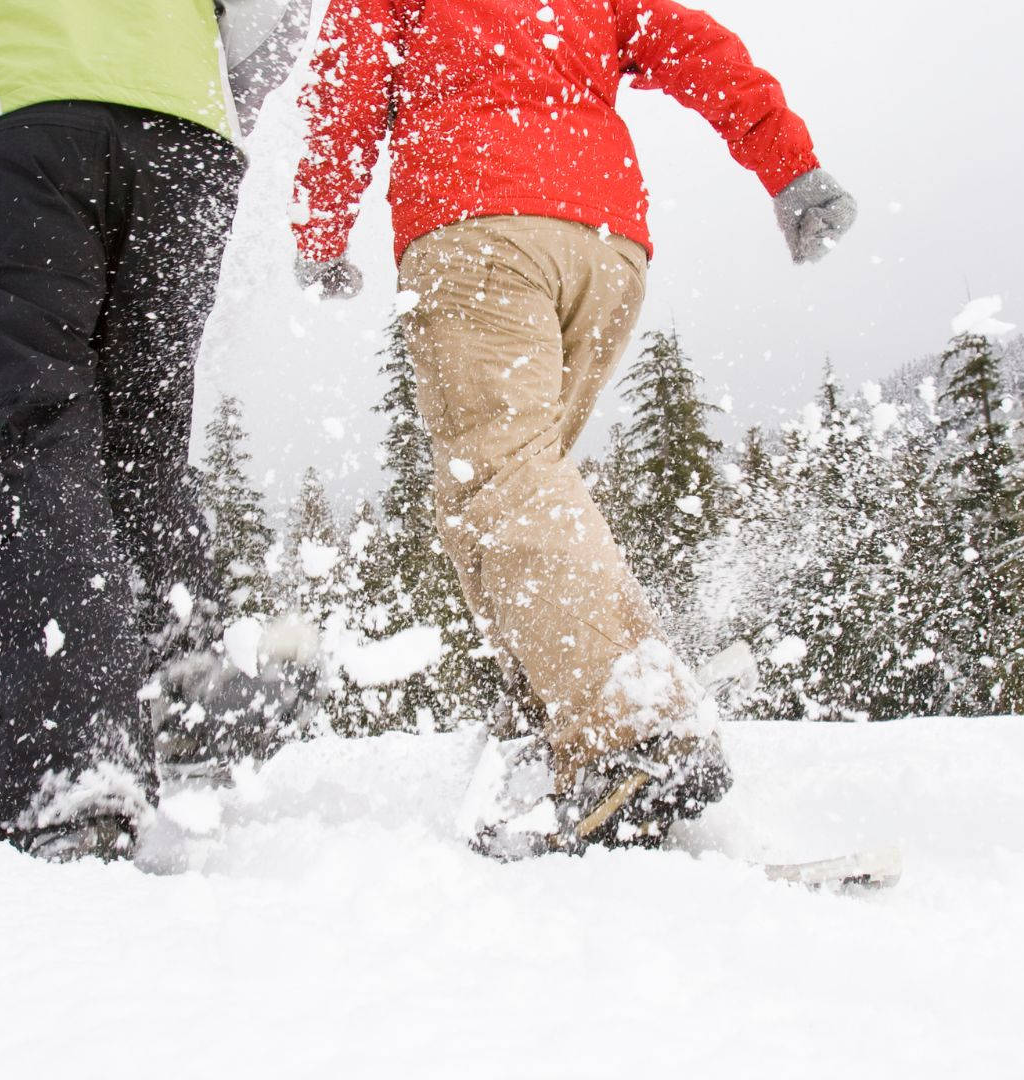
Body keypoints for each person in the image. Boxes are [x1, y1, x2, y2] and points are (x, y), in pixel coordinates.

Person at [292, 1, 856, 852]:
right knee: (499, 491)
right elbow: (693, 44)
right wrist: (787, 163)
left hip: (479, 224)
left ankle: (627, 724)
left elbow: (348, 83)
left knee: (505, 481)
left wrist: (321, 227)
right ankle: (555, 723)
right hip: (605, 246)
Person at [0, 0, 310, 863]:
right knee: (142, 439)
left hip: (25, 117)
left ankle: (72, 768)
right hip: (186, 133)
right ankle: (180, 687)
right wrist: (212, 97)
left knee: (35, 438)